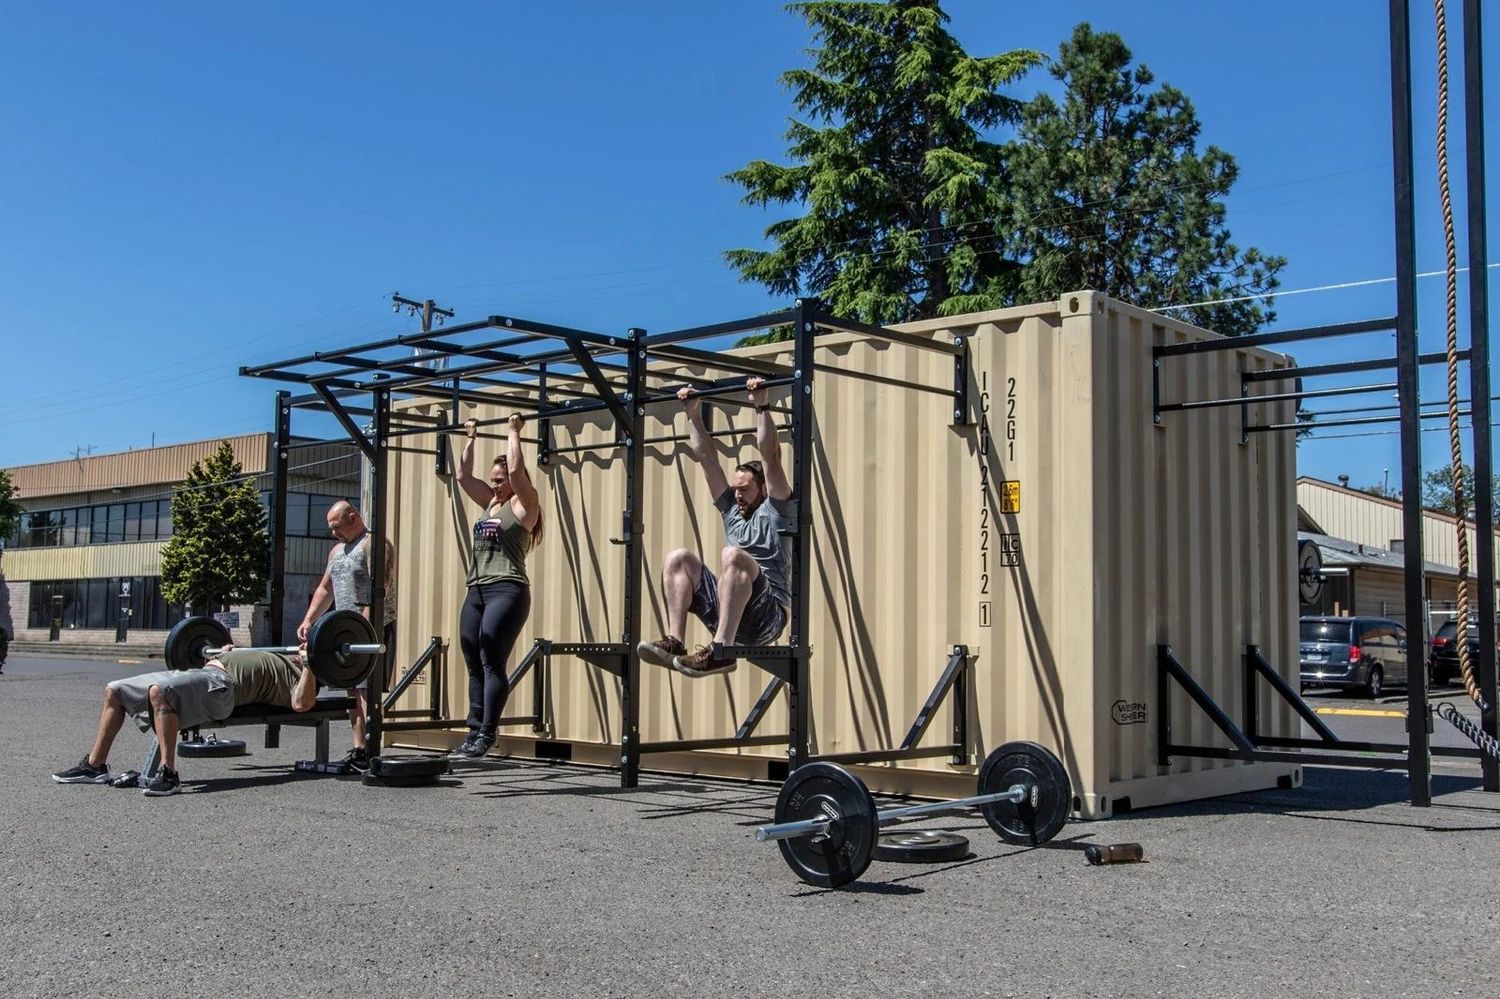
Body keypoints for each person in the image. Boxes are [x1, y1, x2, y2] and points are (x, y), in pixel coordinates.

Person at [637, 376, 796, 677]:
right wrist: (692, 414)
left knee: (731, 555)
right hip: (730, 610)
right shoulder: (732, 511)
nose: (737, 495)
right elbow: (706, 458)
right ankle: (675, 641)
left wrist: (762, 406)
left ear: (763, 490)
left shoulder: (777, 509)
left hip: (767, 618)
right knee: (678, 558)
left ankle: (721, 651)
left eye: (744, 489)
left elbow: (771, 456)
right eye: (735, 489)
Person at [51, 646, 319, 796]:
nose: (300, 650)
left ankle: (169, 774)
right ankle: (94, 767)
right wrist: (224, 652)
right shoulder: (273, 652)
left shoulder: (300, 674)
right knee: (114, 690)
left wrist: (309, 665)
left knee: (159, 692)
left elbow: (302, 704)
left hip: (223, 688)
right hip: (203, 672)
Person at [452, 413, 542, 760]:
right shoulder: (491, 503)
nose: (495, 485)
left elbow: (517, 471)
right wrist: (470, 438)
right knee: (472, 658)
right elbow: (462, 476)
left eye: (500, 480)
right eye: (492, 480)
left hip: (507, 589)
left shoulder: (524, 503)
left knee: (491, 657)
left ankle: (487, 732)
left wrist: (513, 431)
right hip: (476, 589)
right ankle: (473, 732)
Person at [297, 500, 397, 773]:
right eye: (330, 528)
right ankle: (359, 749)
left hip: (372, 628)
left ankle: (371, 748)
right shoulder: (336, 552)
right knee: (351, 688)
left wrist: (362, 626)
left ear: (353, 517)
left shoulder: (374, 544)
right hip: (345, 632)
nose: (333, 533)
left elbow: (382, 586)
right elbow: (325, 589)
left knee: (366, 690)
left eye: (336, 526)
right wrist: (309, 620)